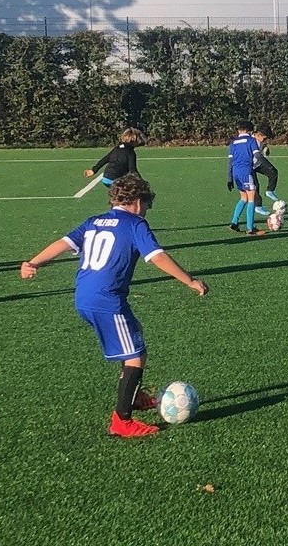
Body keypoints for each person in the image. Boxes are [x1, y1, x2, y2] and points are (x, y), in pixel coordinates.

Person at [19, 174, 208, 438]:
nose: (146, 211)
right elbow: (157, 257)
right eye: (147, 205)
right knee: (135, 356)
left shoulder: (93, 222)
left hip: (84, 296)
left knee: (134, 333)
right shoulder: (135, 224)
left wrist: (33, 262)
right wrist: (190, 280)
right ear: (138, 201)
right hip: (107, 300)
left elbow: (63, 243)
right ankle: (122, 420)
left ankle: (134, 395)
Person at [226, 119, 263, 235]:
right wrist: (258, 165)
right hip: (246, 171)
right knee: (252, 198)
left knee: (243, 198)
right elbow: (257, 155)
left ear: (239, 130)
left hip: (236, 173)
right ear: (249, 130)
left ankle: (234, 223)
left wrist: (229, 178)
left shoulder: (233, 143)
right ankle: (250, 228)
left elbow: (230, 161)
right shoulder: (251, 140)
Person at [251, 124, 280, 217]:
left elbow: (262, 151)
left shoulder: (260, 140)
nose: (266, 140)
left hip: (257, 164)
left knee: (273, 172)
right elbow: (258, 156)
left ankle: (270, 190)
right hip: (248, 166)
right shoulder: (251, 141)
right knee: (255, 186)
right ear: (259, 134)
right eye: (265, 138)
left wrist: (265, 148)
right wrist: (268, 164)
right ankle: (258, 206)